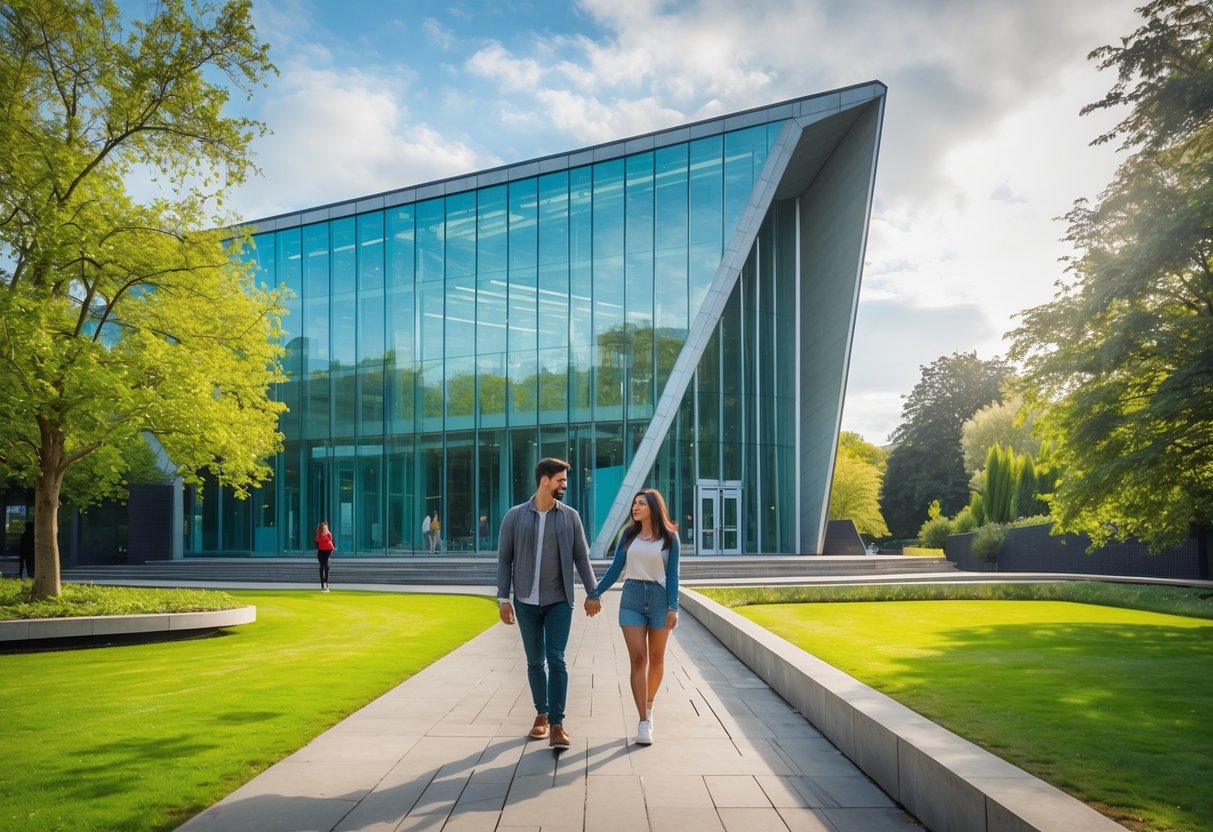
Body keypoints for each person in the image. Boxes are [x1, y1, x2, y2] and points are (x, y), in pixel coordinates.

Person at [497, 457, 601, 750]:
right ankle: (540, 715)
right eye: (560, 480)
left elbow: (582, 557)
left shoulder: (570, 517)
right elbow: (505, 560)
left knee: (556, 658)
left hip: (559, 601)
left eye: (564, 481)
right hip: (526, 603)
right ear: (545, 480)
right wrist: (503, 599)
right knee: (534, 661)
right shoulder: (514, 516)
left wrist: (593, 593)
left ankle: (557, 724)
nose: (564, 486)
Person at [591, 488, 680, 746]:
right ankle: (643, 721)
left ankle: (649, 705)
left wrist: (673, 607)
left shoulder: (669, 538)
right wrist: (595, 592)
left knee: (658, 658)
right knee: (639, 659)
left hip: (660, 600)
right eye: (634, 503)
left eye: (641, 503)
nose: (635, 507)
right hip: (631, 598)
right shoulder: (628, 536)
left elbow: (673, 575)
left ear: (653, 507)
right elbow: (615, 569)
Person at [315, 521, 335, 592]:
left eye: (325, 527)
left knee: (327, 567)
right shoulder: (318, 535)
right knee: (322, 567)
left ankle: (326, 584)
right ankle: (322, 585)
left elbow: (331, 544)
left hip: (327, 553)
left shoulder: (329, 534)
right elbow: (317, 544)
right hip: (321, 553)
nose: (325, 529)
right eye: (323, 528)